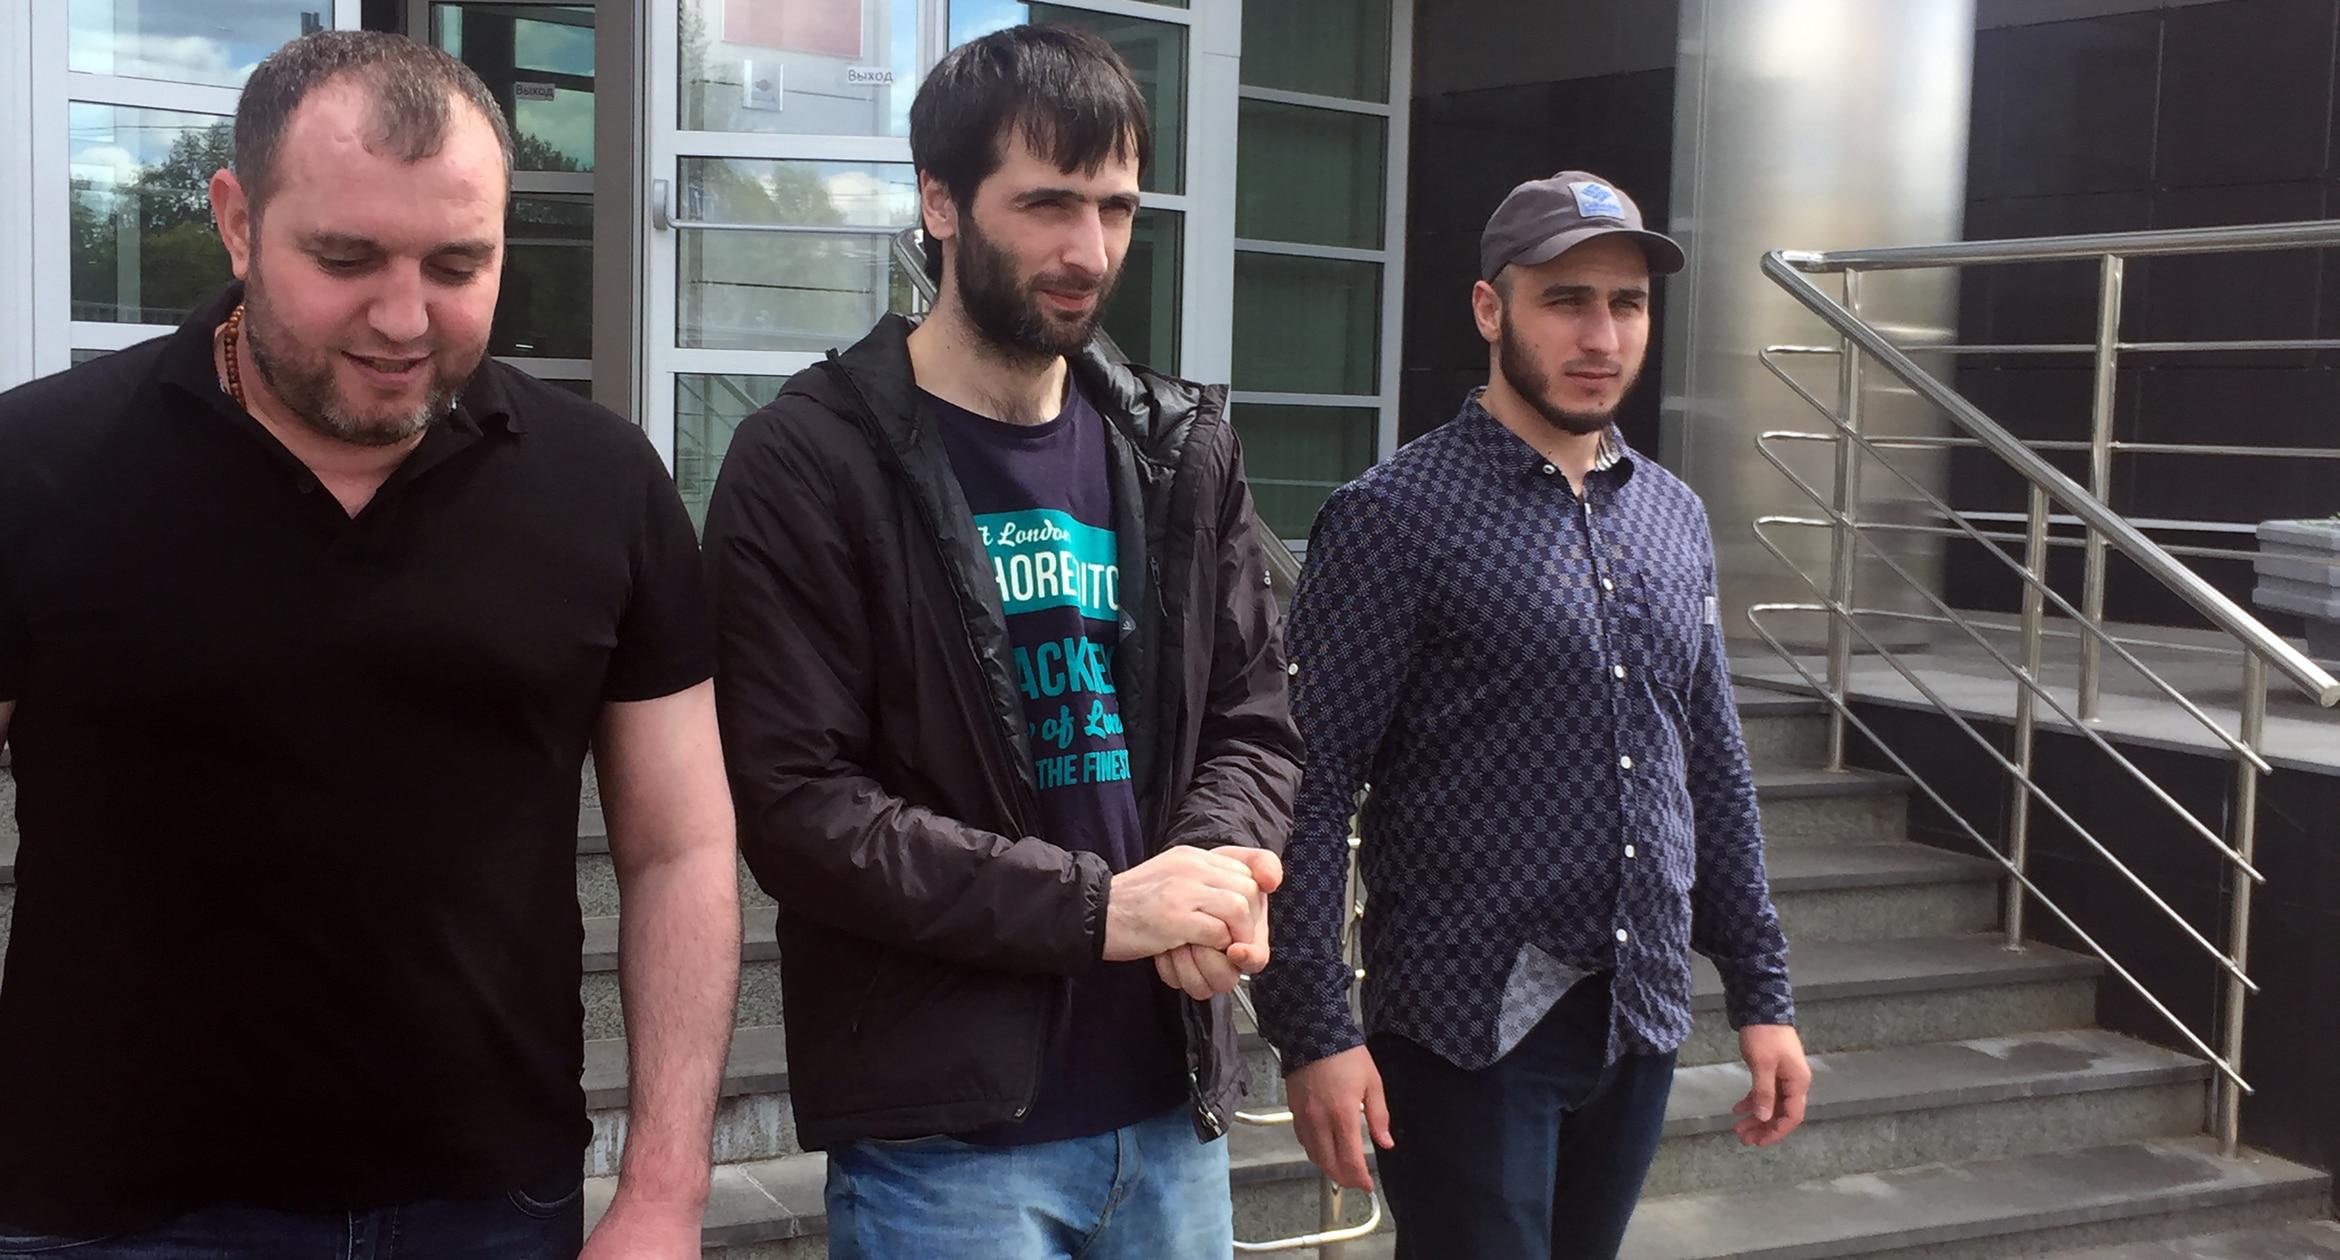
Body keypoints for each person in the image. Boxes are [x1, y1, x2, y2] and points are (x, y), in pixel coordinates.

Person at [0, 32, 738, 1259]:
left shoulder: (604, 486)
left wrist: (665, 1189)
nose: (404, 319)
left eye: (459, 263)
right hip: (110, 1215)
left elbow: (680, 848)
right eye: (346, 259)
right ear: (238, 222)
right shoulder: (41, 469)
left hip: (490, 1207)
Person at [702, 24, 1301, 1260]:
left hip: (1170, 1112)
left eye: (1116, 207)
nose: (1089, 251)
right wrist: (1097, 910)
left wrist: (1210, 869)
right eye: (1046, 205)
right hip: (948, 1148)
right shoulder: (808, 461)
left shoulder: (1182, 452)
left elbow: (1253, 723)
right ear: (939, 202)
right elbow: (802, 809)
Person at [1251, 171, 1814, 1259]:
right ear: (1489, 308)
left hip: (1638, 1013)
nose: (1601, 336)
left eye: (1627, 303)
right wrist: (1313, 1027)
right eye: (1565, 301)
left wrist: (1762, 992)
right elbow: (1306, 788)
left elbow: (1710, 765)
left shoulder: (1673, 515)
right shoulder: (1393, 518)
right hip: (1466, 1027)